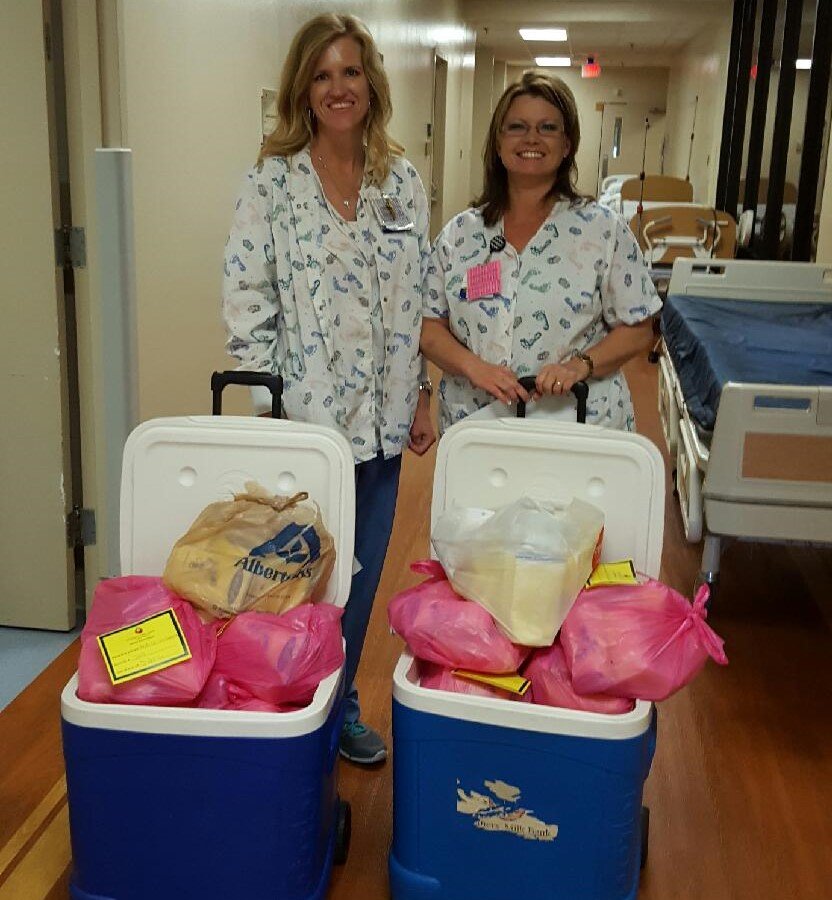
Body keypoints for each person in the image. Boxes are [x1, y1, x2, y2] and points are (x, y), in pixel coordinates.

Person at [222, 13, 435, 765]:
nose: (337, 88)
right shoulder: (272, 182)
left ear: (370, 84)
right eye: (321, 75)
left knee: (360, 577)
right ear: (301, 91)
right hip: (305, 426)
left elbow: (421, 296)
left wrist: (423, 392)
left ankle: (337, 705)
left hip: (381, 424)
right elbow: (247, 303)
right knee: (297, 577)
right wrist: (267, 412)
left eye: (349, 72)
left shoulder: (401, 183)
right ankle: (288, 704)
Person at [421, 72, 661, 433]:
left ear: (567, 145)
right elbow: (429, 325)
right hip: (475, 422)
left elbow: (639, 328)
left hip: (579, 421)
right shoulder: (460, 236)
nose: (531, 138)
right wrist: (475, 367)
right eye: (516, 127)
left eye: (548, 127)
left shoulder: (602, 230)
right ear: (498, 143)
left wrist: (579, 365)